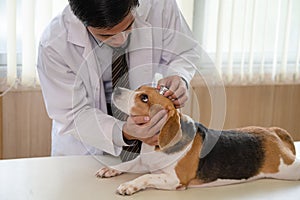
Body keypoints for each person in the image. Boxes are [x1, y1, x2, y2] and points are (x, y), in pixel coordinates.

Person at [37, 0, 200, 157]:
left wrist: (180, 76)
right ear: (81, 21)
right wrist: (124, 132)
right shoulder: (54, 44)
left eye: (128, 26)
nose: (120, 39)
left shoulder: (160, 5)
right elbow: (73, 115)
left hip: (145, 148)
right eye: (105, 35)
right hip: (85, 147)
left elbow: (184, 51)